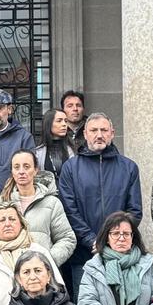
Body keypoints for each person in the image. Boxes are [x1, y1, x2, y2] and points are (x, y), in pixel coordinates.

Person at [58, 113, 142, 295]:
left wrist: (113, 239)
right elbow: (69, 210)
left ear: (112, 133)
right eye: (93, 130)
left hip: (120, 254)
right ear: (85, 134)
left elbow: (134, 210)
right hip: (84, 255)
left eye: (104, 130)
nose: (99, 135)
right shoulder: (70, 168)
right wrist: (92, 240)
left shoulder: (129, 168)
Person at [0, 149, 76, 267]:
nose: (21, 172)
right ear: (12, 171)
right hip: (8, 272)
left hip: (42, 276)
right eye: (16, 167)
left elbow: (67, 238)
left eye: (26, 167)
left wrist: (47, 262)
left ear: (36, 170)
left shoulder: (51, 203)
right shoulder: (2, 203)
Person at [33, 108, 77, 177]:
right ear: (49, 124)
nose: (64, 124)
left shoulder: (73, 149)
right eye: (59, 121)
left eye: (65, 121)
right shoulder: (38, 152)